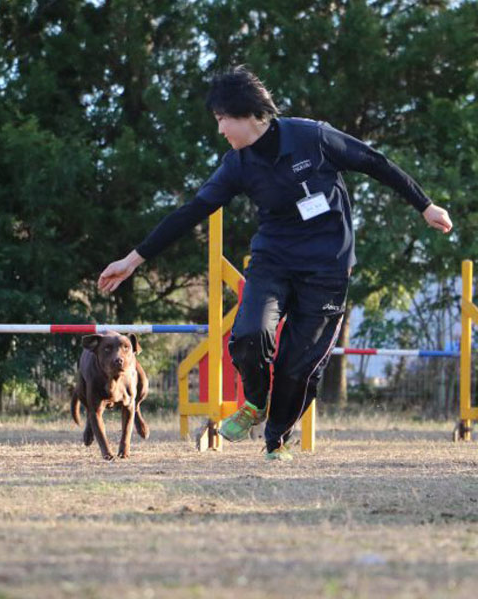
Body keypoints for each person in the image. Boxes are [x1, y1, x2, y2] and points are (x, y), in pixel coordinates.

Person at [97, 66, 453, 461]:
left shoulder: (311, 137)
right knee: (249, 334)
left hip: (328, 266)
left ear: (248, 114)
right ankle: (253, 401)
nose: (220, 131)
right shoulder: (237, 164)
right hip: (273, 260)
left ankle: (276, 441)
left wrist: (424, 205)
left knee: (298, 366)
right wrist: (134, 259)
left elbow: (375, 162)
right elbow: (192, 210)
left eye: (221, 120)